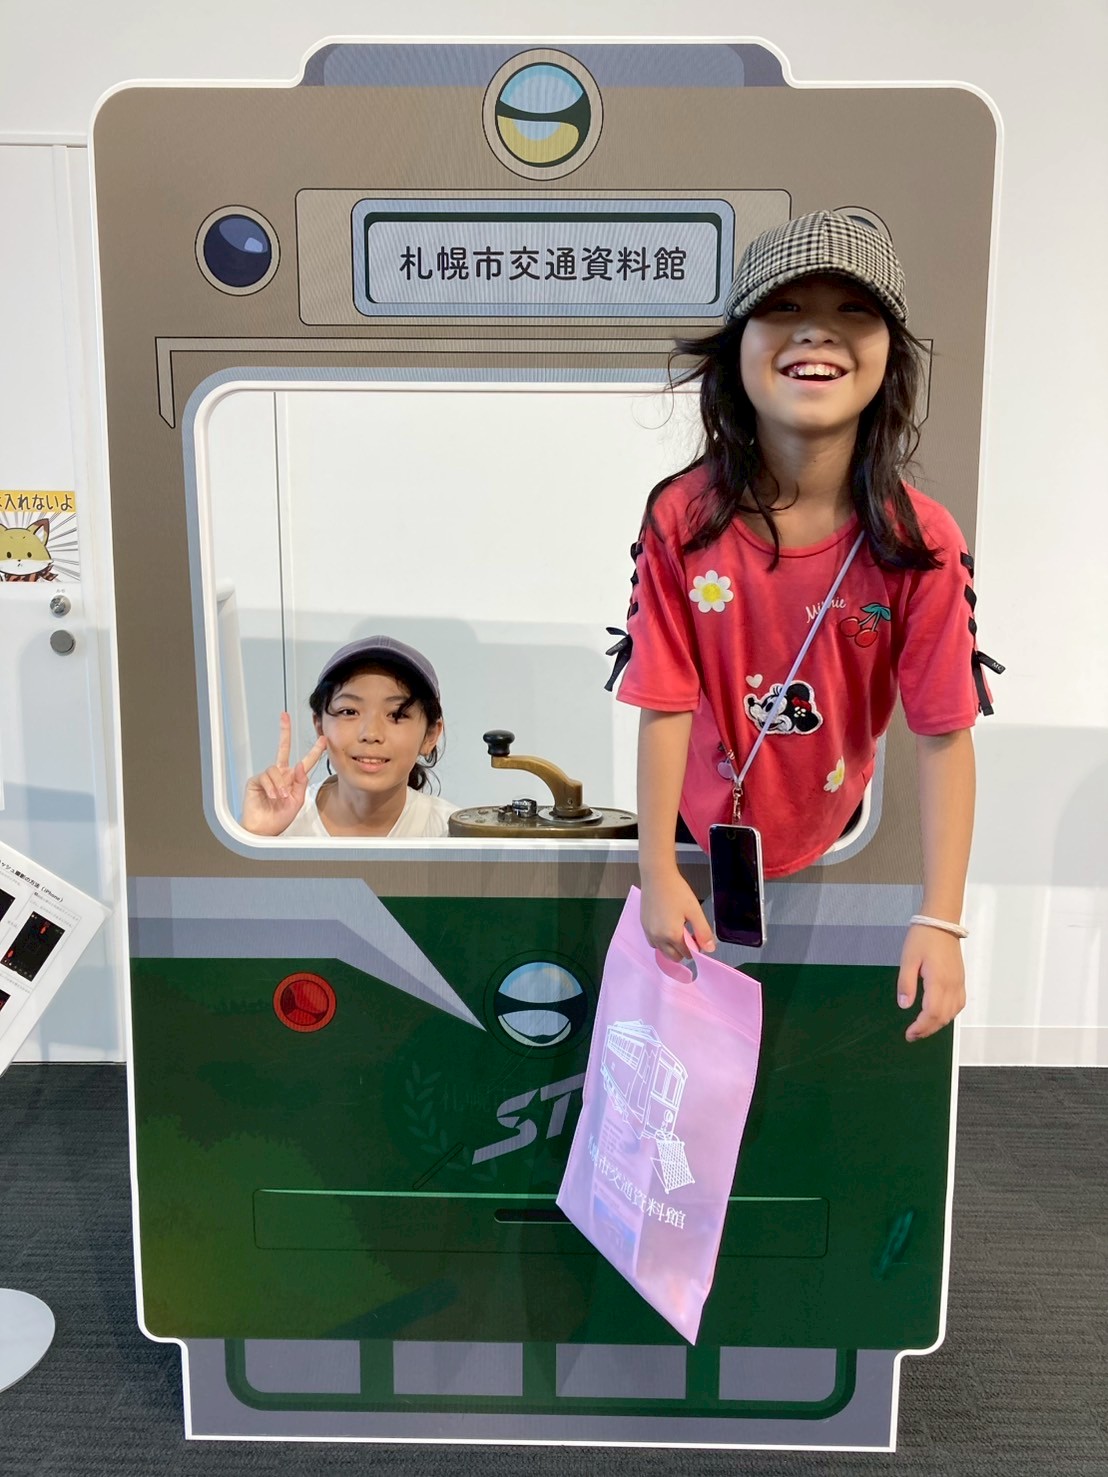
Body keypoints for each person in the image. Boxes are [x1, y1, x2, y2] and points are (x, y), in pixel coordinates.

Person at [611, 211, 1001, 1042]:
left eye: (854, 311)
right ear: (738, 348)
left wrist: (942, 917)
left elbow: (944, 730)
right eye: (783, 307)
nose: (817, 330)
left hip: (835, 823)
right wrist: (657, 867)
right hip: (695, 825)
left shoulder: (922, 541)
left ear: (891, 355)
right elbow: (664, 700)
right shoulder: (682, 519)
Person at [241, 636, 458, 839]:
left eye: (397, 714)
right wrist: (255, 838)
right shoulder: (284, 820)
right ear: (320, 727)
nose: (371, 734)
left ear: (430, 735)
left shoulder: (452, 834)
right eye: (349, 711)